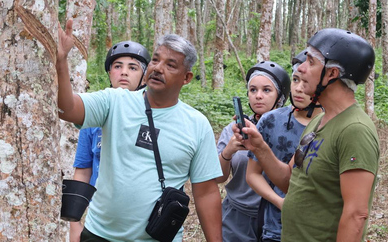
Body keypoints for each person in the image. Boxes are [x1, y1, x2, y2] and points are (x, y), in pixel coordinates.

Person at [57, 19, 223, 242]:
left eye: (170, 65)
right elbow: (67, 109)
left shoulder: (197, 125)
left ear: (187, 78)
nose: (157, 68)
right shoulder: (114, 101)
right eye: (155, 60)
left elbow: (206, 193)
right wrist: (61, 61)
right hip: (100, 235)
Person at [233, 28, 379, 242]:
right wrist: (260, 148)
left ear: (332, 74)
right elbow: (289, 181)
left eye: (310, 62)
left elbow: (356, 215)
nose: (300, 68)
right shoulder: (320, 121)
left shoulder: (354, 129)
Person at [70, 41, 151, 242]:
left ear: (144, 76)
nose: (124, 72)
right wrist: (74, 221)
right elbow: (83, 170)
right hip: (101, 222)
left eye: (133, 67)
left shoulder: (155, 116)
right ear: (109, 73)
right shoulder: (92, 117)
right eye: (117, 66)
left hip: (146, 225)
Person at [245, 50, 323, 242]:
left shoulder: (334, 125)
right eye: (295, 80)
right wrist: (279, 202)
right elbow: (252, 174)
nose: (298, 88)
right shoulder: (271, 120)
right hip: (276, 227)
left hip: (319, 227)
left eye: (305, 82)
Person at [216, 61, 290, 242]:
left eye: (266, 90)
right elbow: (218, 177)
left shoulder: (289, 131)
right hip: (237, 216)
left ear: (280, 96)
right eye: (253, 90)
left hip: (277, 214)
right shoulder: (232, 130)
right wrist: (229, 151)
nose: (258, 96)